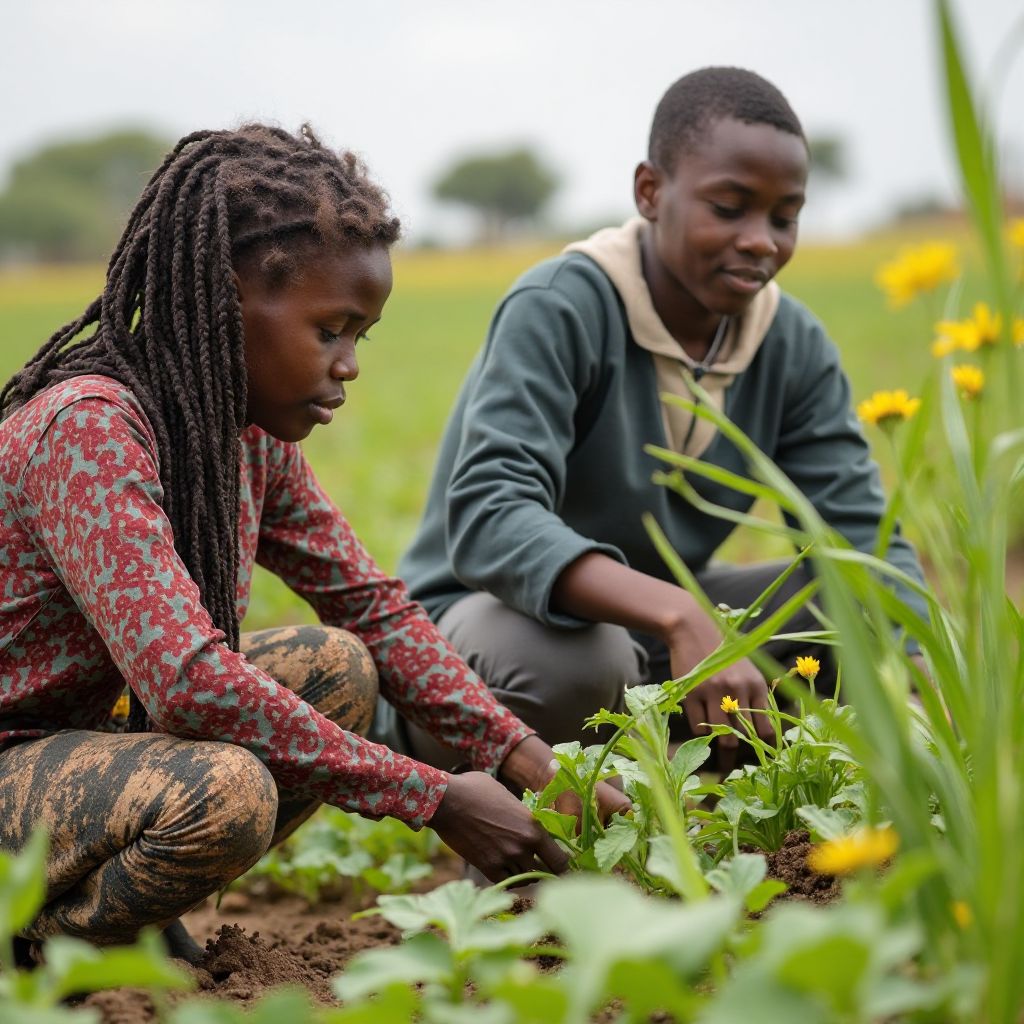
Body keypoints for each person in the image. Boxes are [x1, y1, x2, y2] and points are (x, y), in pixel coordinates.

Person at [0, 124, 628, 963]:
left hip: (80, 745)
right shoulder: (90, 428)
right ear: (226, 301)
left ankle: (117, 929)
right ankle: (47, 949)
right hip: (15, 754)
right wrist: (434, 796)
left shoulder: (243, 436)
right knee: (224, 792)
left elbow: (372, 608)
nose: (349, 364)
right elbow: (187, 685)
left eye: (360, 336)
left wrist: (521, 755)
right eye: (331, 328)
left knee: (335, 666)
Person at [397, 67, 929, 771]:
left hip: (650, 633)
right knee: (582, 660)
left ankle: (720, 799)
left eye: (784, 215)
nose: (761, 241)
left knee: (851, 603)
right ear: (650, 191)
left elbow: (859, 534)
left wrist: (920, 672)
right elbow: (489, 516)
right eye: (729, 207)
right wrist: (680, 614)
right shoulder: (563, 306)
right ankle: (534, 852)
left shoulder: (791, 343)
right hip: (484, 635)